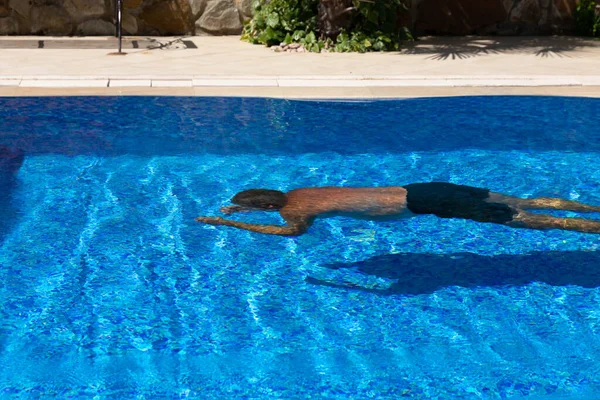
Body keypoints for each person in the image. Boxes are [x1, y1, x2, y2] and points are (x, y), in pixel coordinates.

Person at [195, 182, 600, 236]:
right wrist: (247, 210)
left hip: (425, 202)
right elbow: (280, 206)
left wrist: (224, 222)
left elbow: (289, 231)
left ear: (269, 206)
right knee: (519, 201)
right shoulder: (299, 193)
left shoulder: (293, 215)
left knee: (523, 220)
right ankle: (593, 208)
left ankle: (586, 229)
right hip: (421, 186)